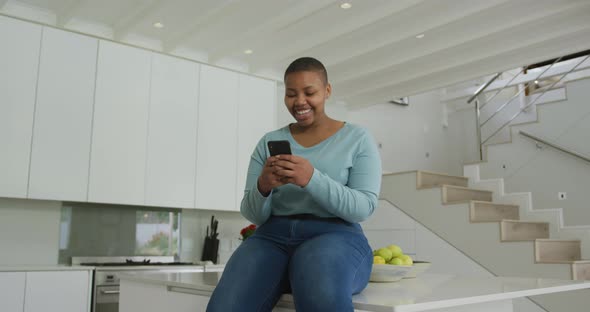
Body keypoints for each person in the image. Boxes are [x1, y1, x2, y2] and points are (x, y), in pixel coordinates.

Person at [206, 57, 382, 312]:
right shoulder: (269, 141)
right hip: (271, 237)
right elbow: (253, 213)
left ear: (327, 91)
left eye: (309, 92)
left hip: (335, 235)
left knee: (317, 275)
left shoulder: (357, 138)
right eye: (291, 94)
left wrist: (312, 178)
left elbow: (363, 207)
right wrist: (263, 186)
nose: (300, 102)